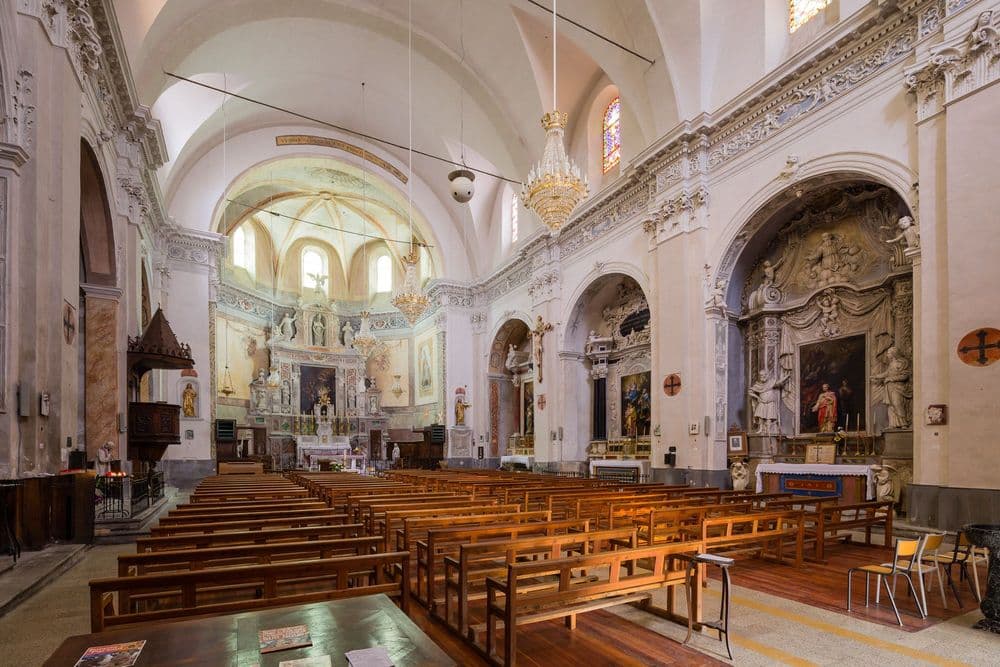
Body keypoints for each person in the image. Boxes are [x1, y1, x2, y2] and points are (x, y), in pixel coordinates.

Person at [748, 370, 787, 435]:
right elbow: (750, 392)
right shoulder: (758, 385)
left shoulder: (771, 383)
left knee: (769, 416)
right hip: (762, 402)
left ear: (767, 375)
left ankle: (768, 429)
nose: (763, 376)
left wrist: (786, 377)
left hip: (770, 403)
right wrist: (757, 397)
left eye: (764, 375)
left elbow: (779, 382)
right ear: (759, 376)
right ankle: (760, 429)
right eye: (761, 375)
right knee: (760, 416)